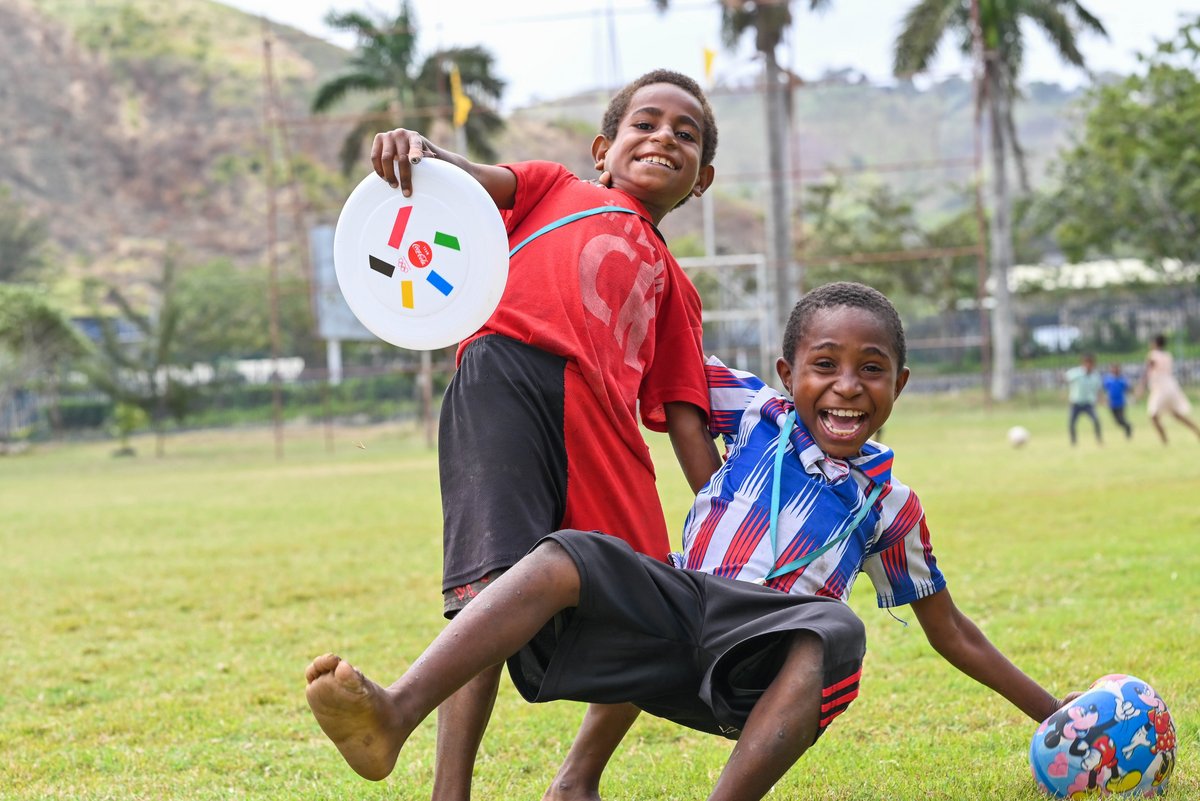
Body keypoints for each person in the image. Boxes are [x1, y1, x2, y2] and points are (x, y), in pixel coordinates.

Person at [305, 282, 1072, 801]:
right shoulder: (758, 413)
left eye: (872, 370)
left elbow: (954, 632)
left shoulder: (892, 507)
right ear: (786, 373)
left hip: (757, 664)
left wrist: (1052, 711)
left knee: (837, 625)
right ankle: (402, 715)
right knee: (570, 552)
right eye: (825, 365)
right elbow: (661, 371)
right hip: (680, 615)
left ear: (898, 386)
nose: (847, 386)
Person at [369, 69, 724, 801]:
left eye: (684, 135)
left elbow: (685, 413)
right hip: (507, 373)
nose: (664, 137)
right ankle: (448, 791)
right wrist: (417, 147)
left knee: (653, 599)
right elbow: (458, 179)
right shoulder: (551, 187)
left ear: (702, 178)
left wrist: (730, 516)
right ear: (603, 149)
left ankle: (575, 781)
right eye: (646, 124)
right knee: (487, 588)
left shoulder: (677, 288)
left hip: (604, 435)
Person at [1136, 334, 1200, 445]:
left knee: (1153, 415)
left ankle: (1164, 440)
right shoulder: (1167, 355)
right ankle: (1197, 430)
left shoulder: (1153, 355)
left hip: (1161, 388)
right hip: (1171, 386)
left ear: (1155, 343)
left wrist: (1141, 386)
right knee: (1177, 414)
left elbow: (1148, 371)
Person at [1064, 353, 1103, 446]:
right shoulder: (1076, 373)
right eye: (1086, 363)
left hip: (1088, 403)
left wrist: (1101, 399)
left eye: (1091, 363)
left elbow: (1098, 390)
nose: (1088, 365)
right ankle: (1073, 442)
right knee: (1072, 423)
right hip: (1076, 402)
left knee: (1096, 420)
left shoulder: (1095, 376)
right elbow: (1065, 378)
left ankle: (1099, 439)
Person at [1101, 362, 1133, 439]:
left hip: (1120, 403)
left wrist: (1131, 397)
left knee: (1121, 418)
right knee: (1117, 421)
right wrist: (1104, 399)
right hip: (1112, 403)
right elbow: (1104, 390)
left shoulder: (1122, 380)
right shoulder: (1108, 380)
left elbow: (1128, 389)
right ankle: (1127, 426)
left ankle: (1128, 428)